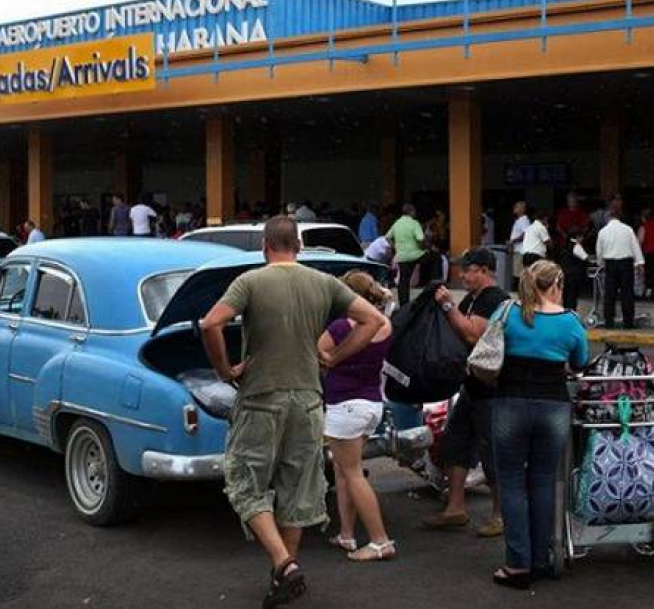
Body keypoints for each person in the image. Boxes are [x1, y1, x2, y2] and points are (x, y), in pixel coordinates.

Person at [200, 216, 384, 608]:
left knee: (243, 482)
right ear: (299, 246)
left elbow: (210, 324)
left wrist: (225, 370)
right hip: (308, 400)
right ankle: (283, 574)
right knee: (297, 489)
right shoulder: (323, 282)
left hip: (261, 398)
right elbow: (374, 320)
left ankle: (284, 564)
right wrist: (333, 357)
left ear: (266, 246)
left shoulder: (250, 282)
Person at [491, 260, 589, 590]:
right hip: (553, 407)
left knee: (512, 482)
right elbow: (579, 363)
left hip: (510, 404)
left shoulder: (507, 313)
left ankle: (517, 564)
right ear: (557, 284)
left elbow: (489, 350)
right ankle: (541, 560)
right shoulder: (570, 322)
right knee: (544, 481)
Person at [422, 248, 510, 537]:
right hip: (471, 387)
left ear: (484, 270)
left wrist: (448, 305)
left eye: (468, 270)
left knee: (493, 453)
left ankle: (500, 515)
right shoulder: (473, 298)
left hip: (491, 391)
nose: (462, 275)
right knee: (455, 444)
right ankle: (455, 508)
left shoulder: (493, 299)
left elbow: (473, 333)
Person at [318, 270, 397, 562]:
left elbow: (317, 353)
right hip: (372, 403)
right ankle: (347, 534)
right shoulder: (385, 324)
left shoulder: (340, 327)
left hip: (345, 406)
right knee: (343, 471)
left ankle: (380, 541)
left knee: (351, 473)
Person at [596, 201, 645, 329]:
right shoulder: (627, 229)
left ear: (609, 218)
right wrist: (640, 263)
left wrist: (600, 263)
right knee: (627, 293)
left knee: (609, 294)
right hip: (626, 263)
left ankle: (609, 322)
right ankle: (628, 322)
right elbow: (635, 247)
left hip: (610, 264)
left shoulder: (603, 231)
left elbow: (599, 251)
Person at [385, 203, 426, 306]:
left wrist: (395, 247)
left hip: (402, 256)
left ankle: (404, 304)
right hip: (415, 255)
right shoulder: (414, 223)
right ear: (411, 212)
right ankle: (434, 285)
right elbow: (420, 238)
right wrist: (422, 247)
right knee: (434, 259)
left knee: (404, 280)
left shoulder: (397, 223)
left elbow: (387, 237)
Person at [556, 225, 589, 312]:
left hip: (565, 275)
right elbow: (586, 258)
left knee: (566, 298)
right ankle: (571, 315)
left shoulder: (566, 246)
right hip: (574, 276)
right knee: (572, 298)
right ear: (577, 237)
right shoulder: (577, 246)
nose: (583, 238)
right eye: (581, 236)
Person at [508, 202, 531, 287]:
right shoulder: (519, 220)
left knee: (519, 273)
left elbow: (526, 234)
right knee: (516, 272)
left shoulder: (524, 220)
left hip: (520, 250)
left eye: (517, 206)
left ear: (522, 209)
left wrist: (513, 241)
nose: (514, 208)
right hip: (517, 249)